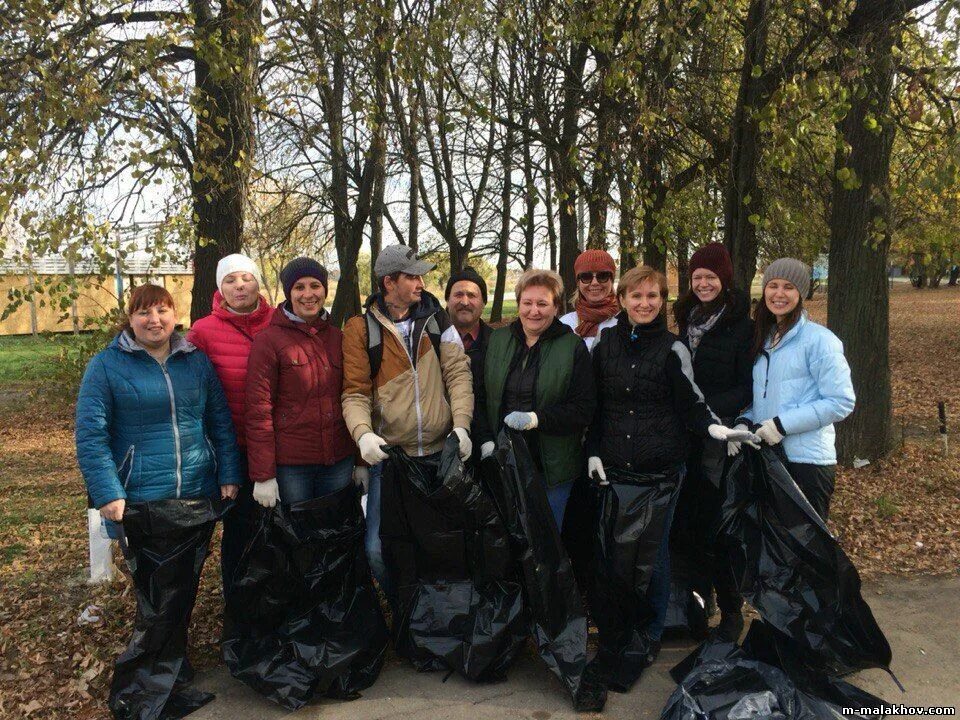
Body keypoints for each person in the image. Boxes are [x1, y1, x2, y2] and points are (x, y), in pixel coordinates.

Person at [75, 284, 240, 711]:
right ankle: (146, 682)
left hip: (194, 496)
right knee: (156, 597)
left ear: (175, 315)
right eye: (144, 312)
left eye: (163, 311)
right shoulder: (107, 367)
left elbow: (219, 419)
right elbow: (91, 436)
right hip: (141, 500)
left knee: (183, 588)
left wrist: (228, 472)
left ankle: (172, 666)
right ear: (129, 319)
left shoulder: (195, 362)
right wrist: (108, 492)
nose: (155, 320)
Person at [585, 266, 746, 671]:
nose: (644, 304)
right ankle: (620, 627)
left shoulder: (674, 349)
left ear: (662, 301)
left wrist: (714, 427)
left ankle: (652, 631)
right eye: (636, 297)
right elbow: (595, 407)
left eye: (653, 297)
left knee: (652, 556)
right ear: (622, 300)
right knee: (617, 555)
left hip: (661, 471)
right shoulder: (604, 345)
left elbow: (691, 402)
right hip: (616, 468)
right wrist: (592, 452)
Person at [342, 244, 474, 603]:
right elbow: (354, 393)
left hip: (437, 456)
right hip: (392, 461)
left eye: (421, 275)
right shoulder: (360, 329)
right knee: (377, 550)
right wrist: (363, 435)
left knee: (440, 544)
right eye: (412, 276)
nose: (421, 282)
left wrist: (461, 424)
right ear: (389, 282)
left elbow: (458, 374)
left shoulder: (437, 320)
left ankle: (434, 616)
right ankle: (405, 610)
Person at [671, 243, 753, 641]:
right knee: (692, 526)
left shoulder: (743, 325)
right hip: (687, 436)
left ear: (725, 279)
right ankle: (700, 604)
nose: (703, 283)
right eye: (697, 277)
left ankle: (733, 609)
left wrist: (705, 410)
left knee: (721, 527)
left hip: (721, 439)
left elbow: (746, 386)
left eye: (711, 277)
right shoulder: (685, 318)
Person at [736, 258, 855, 521]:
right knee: (774, 551)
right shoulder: (765, 340)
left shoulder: (820, 341)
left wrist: (781, 425)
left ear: (800, 293)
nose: (779, 294)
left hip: (807, 464)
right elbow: (769, 397)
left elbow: (840, 401)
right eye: (773, 285)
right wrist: (745, 422)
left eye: (788, 287)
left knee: (806, 552)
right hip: (769, 459)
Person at [476, 269, 596, 527]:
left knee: (546, 542)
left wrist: (536, 419)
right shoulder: (497, 340)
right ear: (518, 304)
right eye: (527, 303)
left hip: (552, 468)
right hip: (504, 463)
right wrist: (486, 439)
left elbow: (582, 409)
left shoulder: (572, 347)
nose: (534, 311)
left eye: (543, 303)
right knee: (508, 539)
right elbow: (481, 397)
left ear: (556, 308)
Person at [187, 253, 274, 596]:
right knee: (239, 531)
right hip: (231, 447)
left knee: (275, 530)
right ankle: (241, 604)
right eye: (230, 280)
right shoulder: (203, 331)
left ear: (257, 283)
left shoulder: (279, 321)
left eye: (246, 278)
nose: (240, 286)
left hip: (274, 442)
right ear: (220, 288)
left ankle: (277, 605)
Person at [244, 257, 357, 509]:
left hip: (338, 459)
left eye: (315, 285)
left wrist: (360, 461)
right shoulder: (269, 341)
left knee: (334, 537)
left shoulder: (339, 338)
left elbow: (355, 396)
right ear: (288, 293)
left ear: (325, 290)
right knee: (297, 539)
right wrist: (263, 475)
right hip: (293, 466)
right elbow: (258, 411)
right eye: (299, 287)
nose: (308, 294)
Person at [445, 266, 494, 458]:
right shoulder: (429, 341)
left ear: (483, 303)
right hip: (441, 446)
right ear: (447, 300)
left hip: (489, 445)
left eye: (472, 295)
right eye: (458, 294)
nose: (465, 301)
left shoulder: (499, 344)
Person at [560, 249, 619, 351]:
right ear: (578, 282)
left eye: (603, 276)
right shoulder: (565, 323)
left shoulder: (625, 322)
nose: (594, 282)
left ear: (612, 280)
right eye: (586, 277)